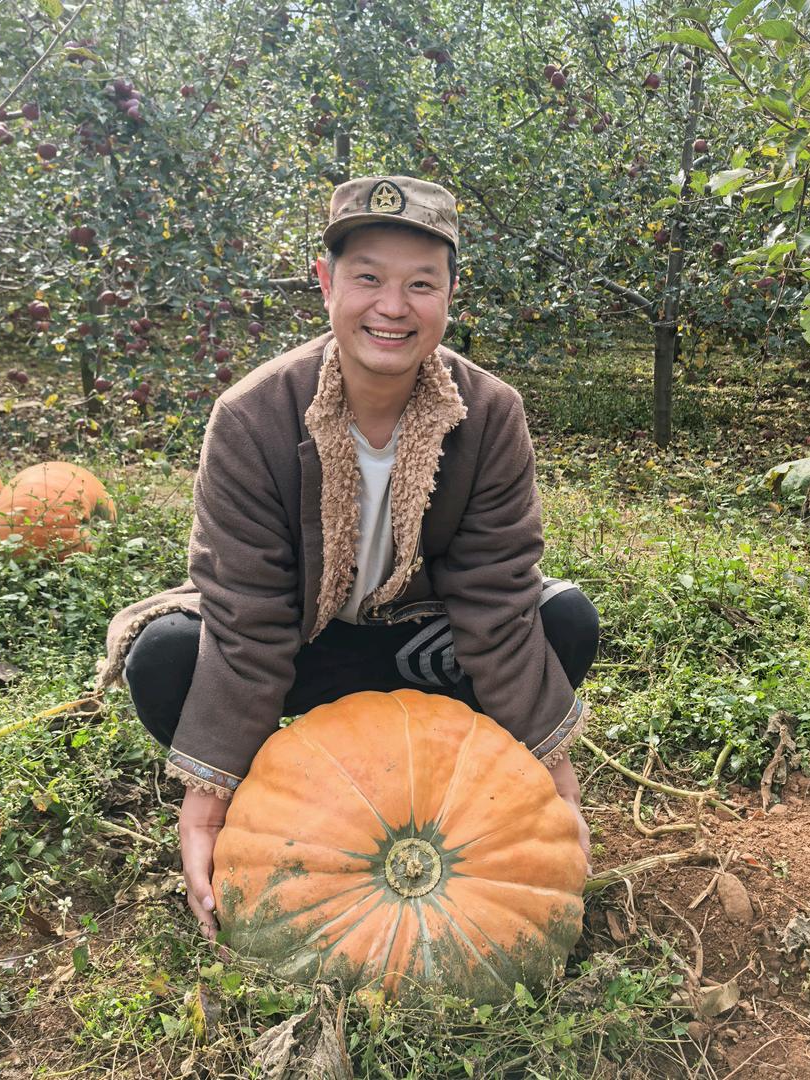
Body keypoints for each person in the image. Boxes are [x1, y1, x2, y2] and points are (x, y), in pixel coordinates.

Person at [97, 176, 600, 940]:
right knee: (167, 656)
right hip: (304, 651)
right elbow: (250, 617)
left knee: (561, 617)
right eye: (368, 277)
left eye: (420, 284)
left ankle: (449, 777)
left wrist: (556, 785)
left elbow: (496, 601)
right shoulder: (254, 418)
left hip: (417, 646)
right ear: (327, 282)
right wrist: (206, 807)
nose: (392, 307)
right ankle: (290, 786)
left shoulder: (490, 415)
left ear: (449, 296)